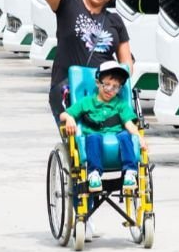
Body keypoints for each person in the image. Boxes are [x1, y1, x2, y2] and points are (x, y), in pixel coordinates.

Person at [39, 0, 134, 118]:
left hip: (103, 92)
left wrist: (121, 80)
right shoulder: (67, 5)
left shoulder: (115, 21)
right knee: (79, 137)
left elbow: (126, 61)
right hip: (68, 89)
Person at [59, 61, 145, 191]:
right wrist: (70, 118)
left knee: (125, 135)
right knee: (93, 137)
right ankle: (94, 173)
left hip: (117, 135)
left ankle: (130, 172)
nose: (110, 90)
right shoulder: (86, 102)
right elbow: (63, 115)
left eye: (115, 87)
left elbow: (128, 123)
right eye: (107, 85)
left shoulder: (120, 104)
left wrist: (140, 137)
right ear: (98, 83)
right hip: (94, 135)